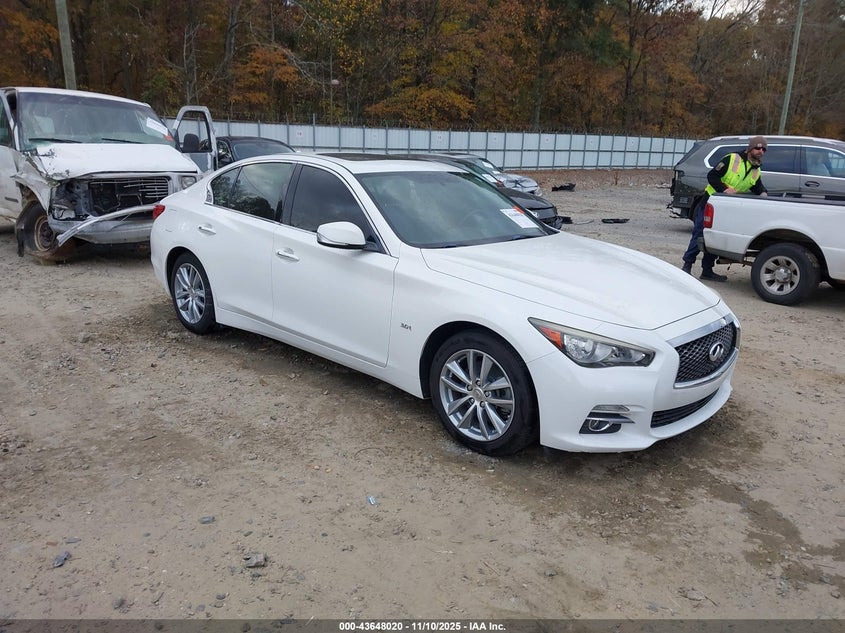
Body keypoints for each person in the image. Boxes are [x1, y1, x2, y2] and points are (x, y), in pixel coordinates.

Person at [682, 136, 768, 281]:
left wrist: (763, 193)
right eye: (757, 148)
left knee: (713, 237)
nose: (761, 151)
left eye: (763, 149)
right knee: (699, 235)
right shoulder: (732, 159)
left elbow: (757, 185)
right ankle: (686, 267)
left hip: (725, 209)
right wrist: (723, 189)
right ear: (750, 149)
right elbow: (712, 176)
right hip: (710, 203)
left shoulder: (755, 169)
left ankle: (707, 271)